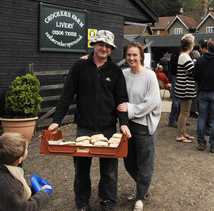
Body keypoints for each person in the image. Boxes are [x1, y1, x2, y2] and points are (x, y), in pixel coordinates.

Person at [48, 30, 131, 211]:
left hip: (108, 128)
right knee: (81, 170)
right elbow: (67, 95)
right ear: (93, 45)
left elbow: (121, 100)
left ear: (111, 49)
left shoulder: (116, 72)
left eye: (108, 46)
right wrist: (57, 120)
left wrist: (123, 123)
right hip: (84, 128)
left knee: (109, 171)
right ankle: (82, 202)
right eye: (101, 44)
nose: (104, 48)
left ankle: (107, 201)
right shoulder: (79, 66)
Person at [117, 42, 161, 211]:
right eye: (128, 55)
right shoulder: (123, 74)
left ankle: (140, 197)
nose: (131, 58)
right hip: (127, 126)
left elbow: (152, 102)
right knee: (128, 162)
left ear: (141, 56)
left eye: (135, 55)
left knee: (145, 163)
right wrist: (88, 59)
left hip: (144, 126)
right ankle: (143, 187)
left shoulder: (150, 76)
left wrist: (131, 108)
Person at [0, 132, 51, 210]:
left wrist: (33, 190)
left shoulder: (0, 169)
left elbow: (15, 196)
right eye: (26, 149)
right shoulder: (10, 186)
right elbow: (26, 208)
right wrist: (42, 196)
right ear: (19, 160)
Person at [174, 34, 196, 143]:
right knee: (184, 112)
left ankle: (183, 132)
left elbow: (190, 70)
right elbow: (192, 71)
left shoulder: (183, 56)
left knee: (185, 112)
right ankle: (180, 135)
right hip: (185, 89)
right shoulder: (185, 56)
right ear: (190, 46)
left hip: (185, 88)